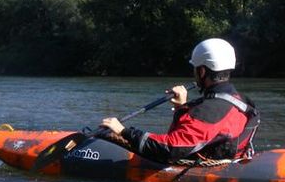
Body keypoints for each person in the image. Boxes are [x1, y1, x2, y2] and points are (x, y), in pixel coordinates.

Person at [100, 38, 259, 164]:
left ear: (202, 71)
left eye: (196, 69)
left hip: (204, 163)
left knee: (110, 137)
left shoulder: (208, 111)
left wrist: (123, 131)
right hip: (224, 157)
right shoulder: (242, 101)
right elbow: (194, 135)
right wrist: (181, 108)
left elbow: (170, 149)